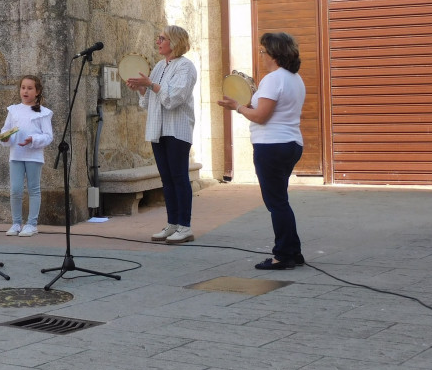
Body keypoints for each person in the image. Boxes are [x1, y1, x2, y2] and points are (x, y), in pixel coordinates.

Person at [218, 32, 306, 270]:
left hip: (272, 146)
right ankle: (293, 251)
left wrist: (237, 107)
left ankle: (283, 255)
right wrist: (244, 105)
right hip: (290, 143)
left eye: (263, 51)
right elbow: (267, 110)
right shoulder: (294, 78)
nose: (261, 56)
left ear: (275, 54)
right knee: (281, 200)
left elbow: (261, 116)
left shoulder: (273, 79)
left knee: (276, 203)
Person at [125, 25, 198, 244]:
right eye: (158, 38)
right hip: (158, 129)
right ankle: (172, 224)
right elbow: (150, 100)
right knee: (166, 179)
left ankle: (185, 226)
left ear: (174, 42)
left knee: (179, 177)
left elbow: (175, 98)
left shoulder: (186, 67)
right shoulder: (158, 66)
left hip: (177, 129)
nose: (157, 42)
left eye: (162, 38)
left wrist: (151, 85)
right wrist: (141, 89)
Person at [0, 75, 54, 237]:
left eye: (30, 88)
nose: (25, 91)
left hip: (33, 157)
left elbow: (48, 136)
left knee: (33, 190)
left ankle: (31, 224)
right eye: (23, 87)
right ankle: (16, 223)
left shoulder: (43, 113)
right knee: (15, 190)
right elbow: (5, 130)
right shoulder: (13, 110)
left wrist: (33, 140)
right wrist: (6, 137)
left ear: (37, 92)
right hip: (16, 155)